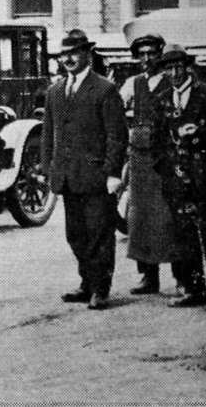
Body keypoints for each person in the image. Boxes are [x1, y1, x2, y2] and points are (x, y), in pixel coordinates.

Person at [43, 29, 127, 310]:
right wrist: (48, 168)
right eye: (63, 54)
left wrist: (113, 174)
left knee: (99, 234)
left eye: (74, 53)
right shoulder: (55, 91)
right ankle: (86, 283)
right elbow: (48, 134)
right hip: (67, 177)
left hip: (96, 177)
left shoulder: (105, 89)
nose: (68, 59)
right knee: (75, 234)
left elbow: (117, 136)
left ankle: (100, 289)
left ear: (86, 55)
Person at [152, 50, 206, 309]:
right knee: (184, 234)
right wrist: (166, 171)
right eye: (169, 69)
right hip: (176, 177)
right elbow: (157, 141)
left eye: (179, 67)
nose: (174, 73)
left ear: (188, 67)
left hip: (204, 175)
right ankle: (193, 289)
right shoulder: (161, 99)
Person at [118, 33, 186, 295]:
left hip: (168, 157)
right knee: (140, 218)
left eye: (152, 54)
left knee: (171, 217)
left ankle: (181, 278)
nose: (147, 59)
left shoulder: (173, 81)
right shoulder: (132, 84)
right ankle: (148, 277)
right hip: (139, 159)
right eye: (142, 54)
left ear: (161, 54)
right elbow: (114, 109)